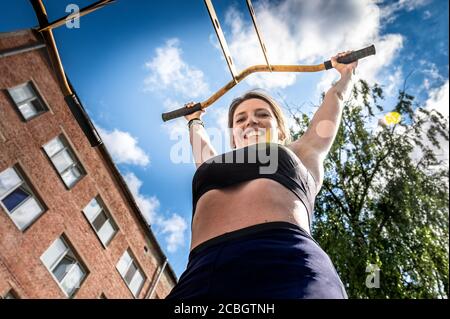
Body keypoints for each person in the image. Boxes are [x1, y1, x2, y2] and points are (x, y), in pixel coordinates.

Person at [165, 52, 357, 299]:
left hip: (287, 263)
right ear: (233, 137)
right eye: (240, 119)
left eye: (262, 114)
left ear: (280, 131)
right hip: (204, 272)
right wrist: (194, 121)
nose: (251, 122)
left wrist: (347, 73)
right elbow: (199, 143)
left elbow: (336, 98)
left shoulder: (302, 151)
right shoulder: (213, 164)